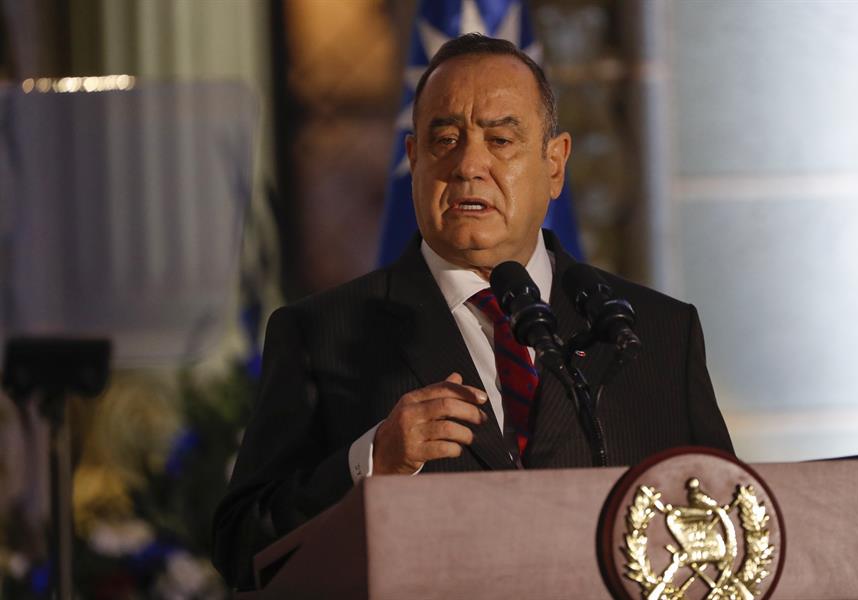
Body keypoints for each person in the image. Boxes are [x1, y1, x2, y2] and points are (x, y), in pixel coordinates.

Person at [212, 33, 733, 589]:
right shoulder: (319, 333)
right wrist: (373, 463)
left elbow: (735, 523)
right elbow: (244, 549)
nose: (469, 165)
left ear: (554, 164)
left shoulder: (653, 333)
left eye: (502, 139)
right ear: (412, 160)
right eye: (445, 139)